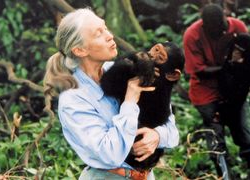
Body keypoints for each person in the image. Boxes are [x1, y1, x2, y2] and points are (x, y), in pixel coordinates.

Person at [43, 8, 179, 180]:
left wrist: (157, 136)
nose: (109, 35)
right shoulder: (73, 100)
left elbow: (172, 130)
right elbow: (111, 155)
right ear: (80, 50)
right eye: (98, 33)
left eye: (105, 28)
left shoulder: (116, 70)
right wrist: (130, 100)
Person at [183, 4, 250, 179]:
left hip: (234, 90)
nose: (221, 33)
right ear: (205, 27)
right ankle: (224, 176)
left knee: (244, 133)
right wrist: (228, 66)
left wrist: (241, 82)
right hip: (206, 92)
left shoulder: (237, 27)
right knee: (215, 139)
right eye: (215, 31)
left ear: (225, 19)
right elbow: (200, 71)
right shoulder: (193, 35)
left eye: (223, 28)